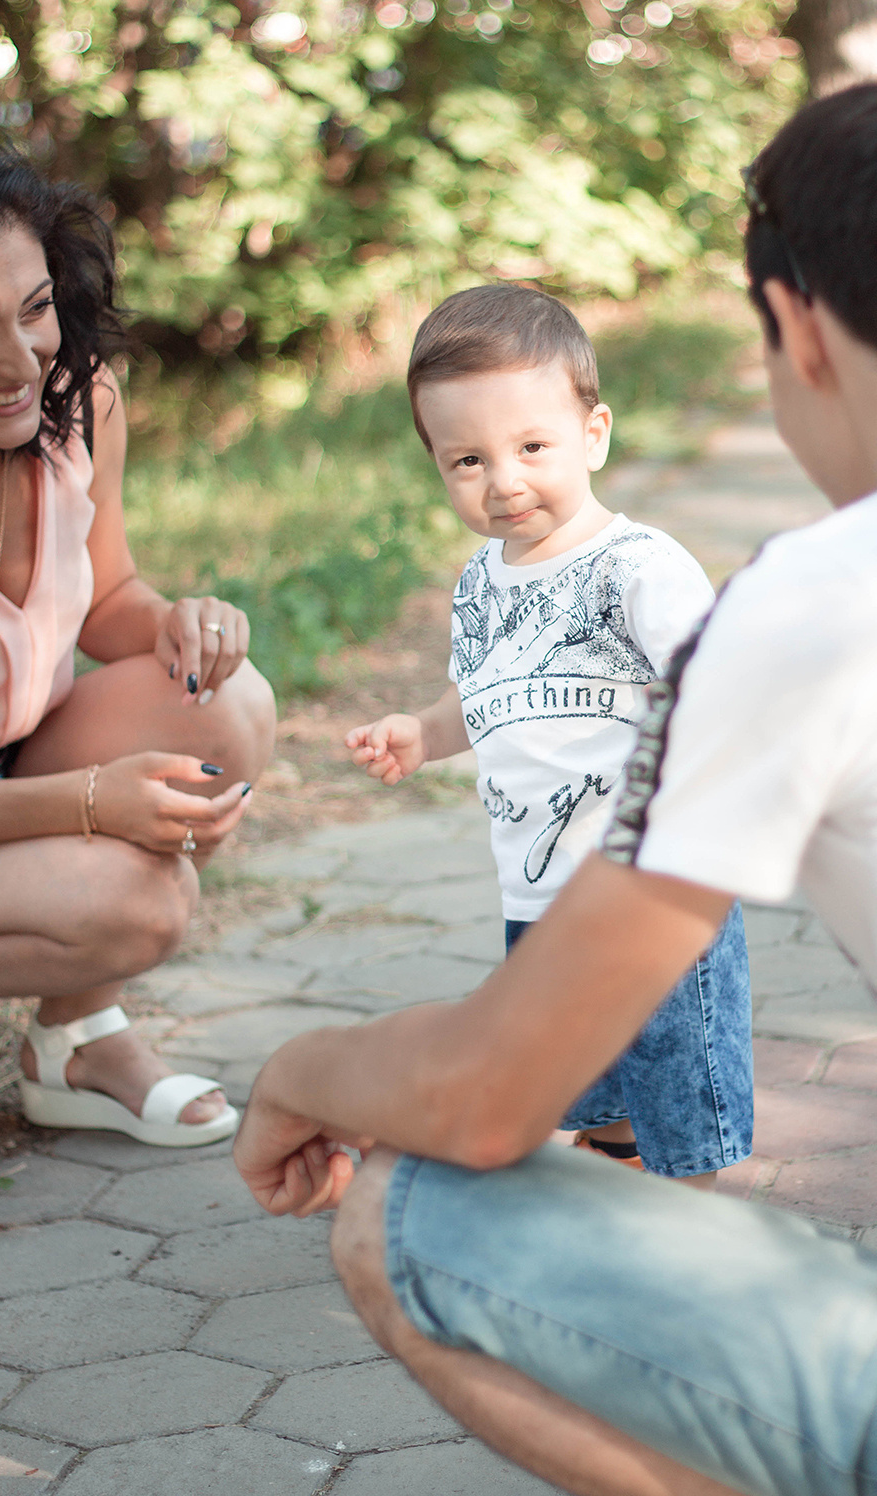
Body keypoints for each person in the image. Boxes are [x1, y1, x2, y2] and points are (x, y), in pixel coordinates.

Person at [235, 70, 877, 1496]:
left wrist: (296, 1071)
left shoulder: (810, 605)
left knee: (407, 1207)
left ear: (792, 328)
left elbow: (484, 1100)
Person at [0, 138, 276, 1166]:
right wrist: (84, 805)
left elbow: (106, 594)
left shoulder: (79, 402)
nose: (24, 361)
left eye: (35, 308)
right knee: (137, 895)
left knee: (226, 707)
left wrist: (174, 622)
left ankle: (74, 1040)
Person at [344, 285, 751, 1184]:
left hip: (650, 889)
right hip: (538, 891)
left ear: (594, 433)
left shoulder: (637, 567)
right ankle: (611, 1147)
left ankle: (690, 1215)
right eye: (467, 461)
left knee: (673, 1060)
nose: (505, 481)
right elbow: (484, 696)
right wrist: (422, 731)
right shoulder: (480, 584)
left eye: (532, 447)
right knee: (579, 1059)